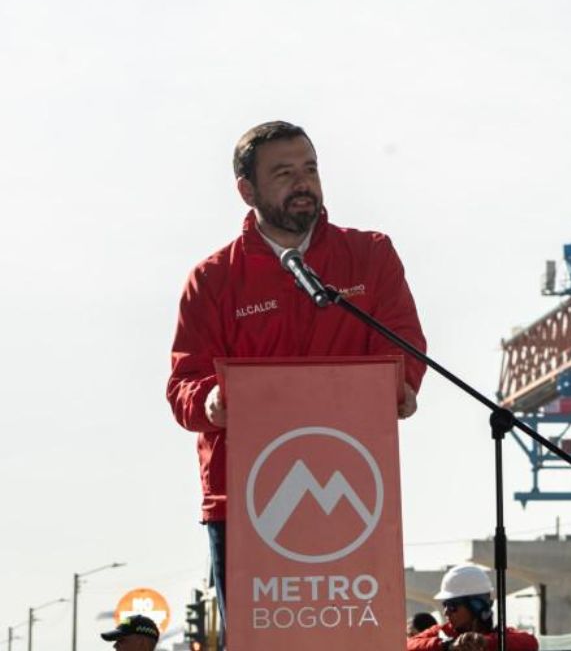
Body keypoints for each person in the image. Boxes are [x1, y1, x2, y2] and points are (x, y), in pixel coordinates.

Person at [167, 121, 428, 623]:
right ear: (248, 190)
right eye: (284, 173)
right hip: (247, 506)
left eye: (310, 168)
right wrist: (211, 401)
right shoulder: (214, 279)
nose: (303, 182)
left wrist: (405, 384)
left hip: (354, 494)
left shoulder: (370, 255)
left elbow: (403, 341)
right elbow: (183, 384)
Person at [407, 564, 539, 651]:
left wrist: (484, 643)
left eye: (452, 605)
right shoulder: (442, 633)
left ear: (476, 605)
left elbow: (530, 643)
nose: (446, 612)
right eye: (445, 605)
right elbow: (407, 645)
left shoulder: (499, 636)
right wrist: (448, 645)